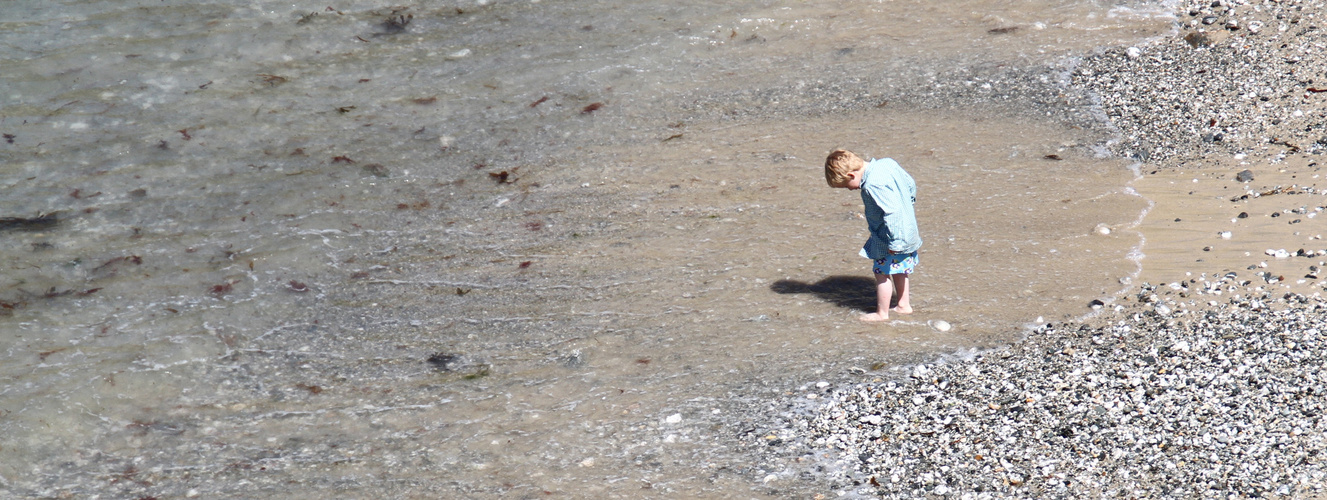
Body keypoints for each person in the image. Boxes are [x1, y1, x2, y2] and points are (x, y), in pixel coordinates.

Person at [824, 149, 921, 322]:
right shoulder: (887, 163)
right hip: (908, 229)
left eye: (846, 185)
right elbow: (910, 184)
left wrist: (895, 243)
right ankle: (903, 305)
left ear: (851, 175)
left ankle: (882, 313)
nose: (849, 189)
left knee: (881, 273)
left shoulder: (872, 185)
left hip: (890, 237)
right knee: (900, 270)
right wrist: (909, 202)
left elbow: (892, 213)